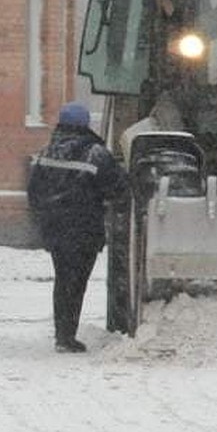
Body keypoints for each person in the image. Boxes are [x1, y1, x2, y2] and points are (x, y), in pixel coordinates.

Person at [27, 102, 130, 353]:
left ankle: (63, 334)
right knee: (75, 283)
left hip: (55, 230)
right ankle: (66, 337)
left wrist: (45, 217)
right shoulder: (95, 154)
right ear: (85, 126)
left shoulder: (46, 152)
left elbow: (34, 192)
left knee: (63, 280)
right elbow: (118, 188)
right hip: (83, 231)